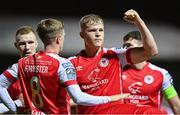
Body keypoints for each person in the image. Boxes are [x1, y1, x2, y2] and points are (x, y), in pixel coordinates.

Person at [0, 18, 129, 114]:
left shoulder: (21, 64)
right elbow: (79, 98)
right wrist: (110, 98)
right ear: (59, 38)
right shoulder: (63, 64)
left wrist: (13, 107)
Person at [69, 9, 167, 114]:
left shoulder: (114, 55)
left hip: (115, 111)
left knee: (155, 113)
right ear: (82, 34)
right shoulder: (71, 63)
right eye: (92, 30)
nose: (98, 34)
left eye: (101, 30)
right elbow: (68, 100)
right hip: (91, 113)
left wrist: (139, 22)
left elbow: (151, 52)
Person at [121, 30, 180, 114]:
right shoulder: (117, 72)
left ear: (142, 47)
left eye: (128, 46)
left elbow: (176, 106)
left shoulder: (162, 74)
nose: (124, 50)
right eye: (123, 46)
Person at [0, 26, 38, 113]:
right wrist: (17, 105)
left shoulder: (50, 67)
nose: (27, 47)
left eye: (30, 42)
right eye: (22, 43)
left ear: (36, 43)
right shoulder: (11, 75)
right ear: (16, 46)